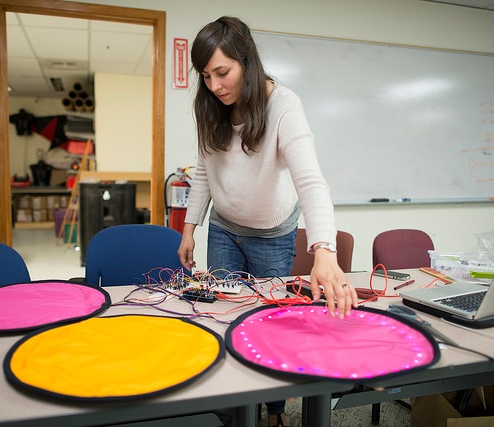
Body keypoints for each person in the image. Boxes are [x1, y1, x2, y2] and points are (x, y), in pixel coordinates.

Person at [177, 16, 358, 427]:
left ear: (248, 62)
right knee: (223, 317)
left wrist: (323, 251)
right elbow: (204, 170)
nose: (214, 85)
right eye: (206, 76)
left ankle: (274, 413)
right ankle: (235, 408)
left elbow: (311, 181)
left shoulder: (284, 107)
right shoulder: (209, 105)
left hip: (271, 234)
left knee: (268, 326)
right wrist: (190, 228)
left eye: (223, 73)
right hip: (223, 227)